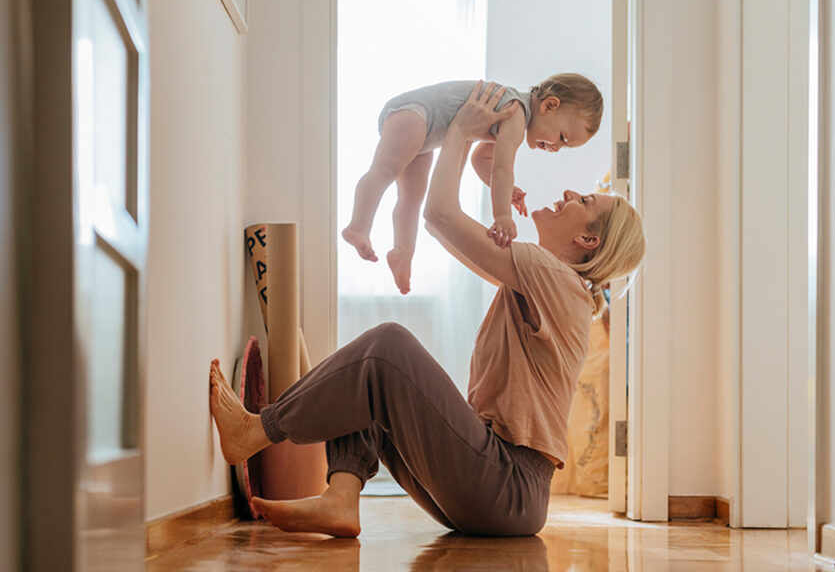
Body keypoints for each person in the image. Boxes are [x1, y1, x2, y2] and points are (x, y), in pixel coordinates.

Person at [209, 82, 645, 537]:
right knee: (365, 381)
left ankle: (257, 431)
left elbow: (439, 216)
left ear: (588, 240)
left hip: (507, 486)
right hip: (501, 491)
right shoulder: (545, 283)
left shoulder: (552, 277)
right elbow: (446, 224)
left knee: (387, 347)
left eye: (586, 201)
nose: (573, 192)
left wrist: (458, 130)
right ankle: (340, 499)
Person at [340, 74, 604, 294]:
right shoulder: (515, 113)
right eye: (562, 138)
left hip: (428, 132)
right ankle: (358, 226)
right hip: (415, 113)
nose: (557, 148)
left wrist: (506, 190)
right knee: (383, 171)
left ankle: (402, 252)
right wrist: (502, 215)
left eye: (564, 147)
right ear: (549, 106)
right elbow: (502, 168)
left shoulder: (511, 116)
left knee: (411, 196)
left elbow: (483, 160)